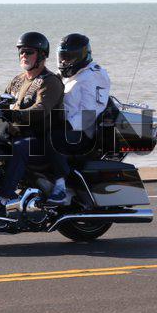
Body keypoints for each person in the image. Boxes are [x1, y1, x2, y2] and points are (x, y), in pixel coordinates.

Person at [0, 32, 65, 205]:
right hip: (14, 133)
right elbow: (1, 101)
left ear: (42, 55)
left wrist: (15, 115)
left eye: (29, 52)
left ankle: (5, 196)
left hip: (41, 139)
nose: (23, 55)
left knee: (21, 147)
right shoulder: (18, 80)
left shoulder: (50, 82)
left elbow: (41, 109)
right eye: (21, 51)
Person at [45, 33, 111, 205]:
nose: (64, 61)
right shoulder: (67, 75)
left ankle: (60, 186)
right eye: (62, 57)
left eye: (69, 57)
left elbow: (91, 112)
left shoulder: (94, 76)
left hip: (83, 132)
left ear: (83, 56)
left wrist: (67, 124)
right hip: (64, 124)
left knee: (52, 139)